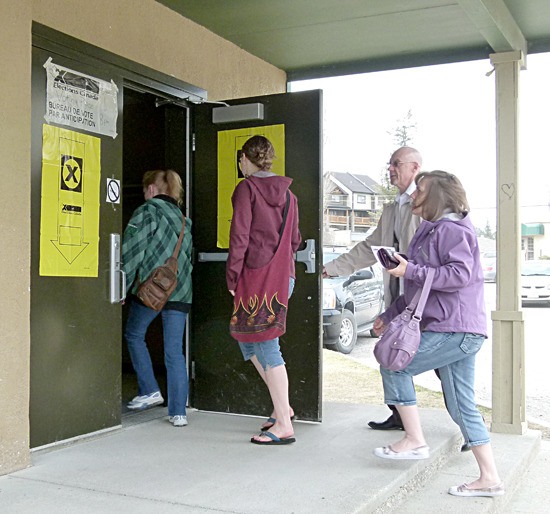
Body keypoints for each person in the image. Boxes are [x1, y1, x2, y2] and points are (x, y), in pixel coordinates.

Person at [372, 170, 504, 497]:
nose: (414, 195)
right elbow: (420, 285)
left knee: (394, 364)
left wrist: (410, 268)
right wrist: (389, 315)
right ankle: (489, 478)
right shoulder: (432, 231)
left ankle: (415, 440)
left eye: (421, 191)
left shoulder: (452, 230)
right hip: (458, 328)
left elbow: (459, 274)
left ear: (437, 197)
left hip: (456, 328)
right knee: (462, 405)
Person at [323, 146, 422, 430]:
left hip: (426, 302)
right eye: (389, 164)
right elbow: (370, 248)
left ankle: (466, 429)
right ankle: (400, 416)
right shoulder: (393, 208)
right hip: (397, 301)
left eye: (396, 164)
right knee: (390, 354)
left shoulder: (427, 205)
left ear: (415, 167)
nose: (390, 169)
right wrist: (333, 267)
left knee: (442, 365)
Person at [227, 135, 301, 445]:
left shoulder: (246, 189)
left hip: (256, 281)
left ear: (245, 158)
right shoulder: (290, 196)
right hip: (284, 278)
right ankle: (282, 406)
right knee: (248, 342)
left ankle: (284, 423)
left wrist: (232, 276)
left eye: (240, 159)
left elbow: (239, 237)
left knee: (267, 347)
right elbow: (295, 240)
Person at [122, 169, 193, 427]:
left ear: (151, 189)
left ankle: (149, 389)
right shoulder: (184, 220)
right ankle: (178, 413)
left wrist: (122, 285)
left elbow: (132, 250)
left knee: (133, 334)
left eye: (144, 190)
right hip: (181, 292)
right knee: (175, 351)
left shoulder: (147, 211)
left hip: (152, 290)